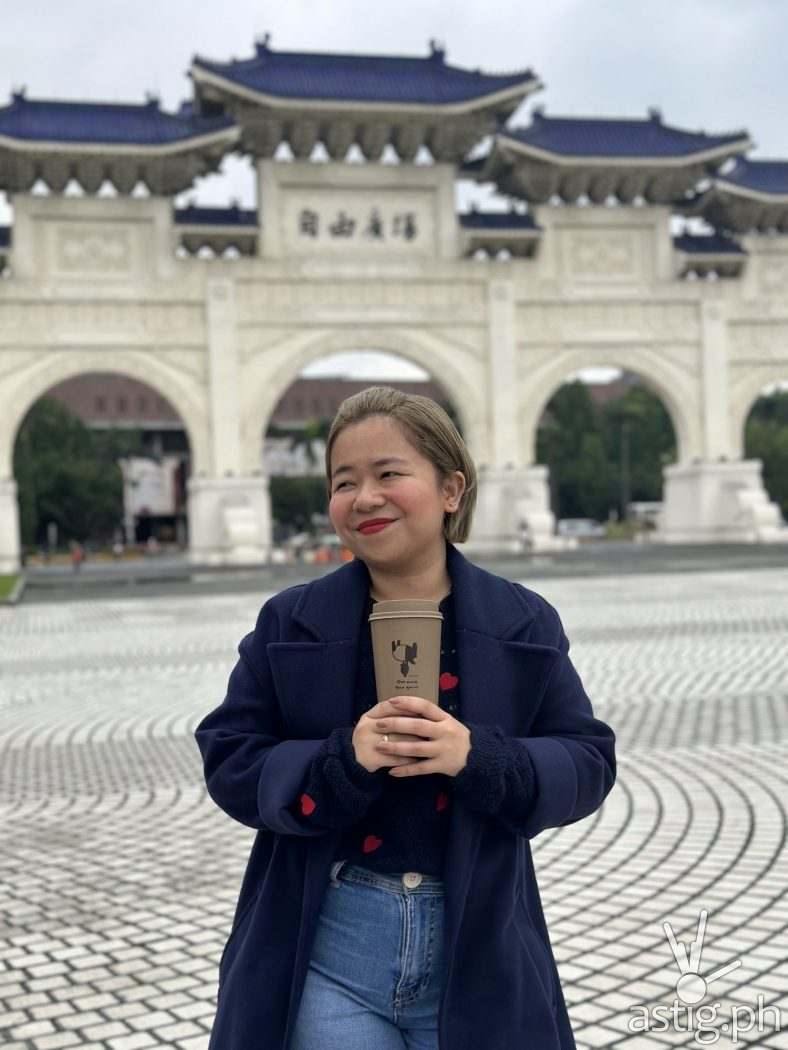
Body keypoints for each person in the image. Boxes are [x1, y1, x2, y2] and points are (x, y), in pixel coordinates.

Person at [194, 386, 617, 1050]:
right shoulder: (290, 623)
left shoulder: (522, 621)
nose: (364, 497)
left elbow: (587, 759)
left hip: (477, 946)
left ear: (451, 488)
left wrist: (479, 758)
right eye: (344, 482)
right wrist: (342, 760)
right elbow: (230, 756)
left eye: (388, 473)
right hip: (329, 949)